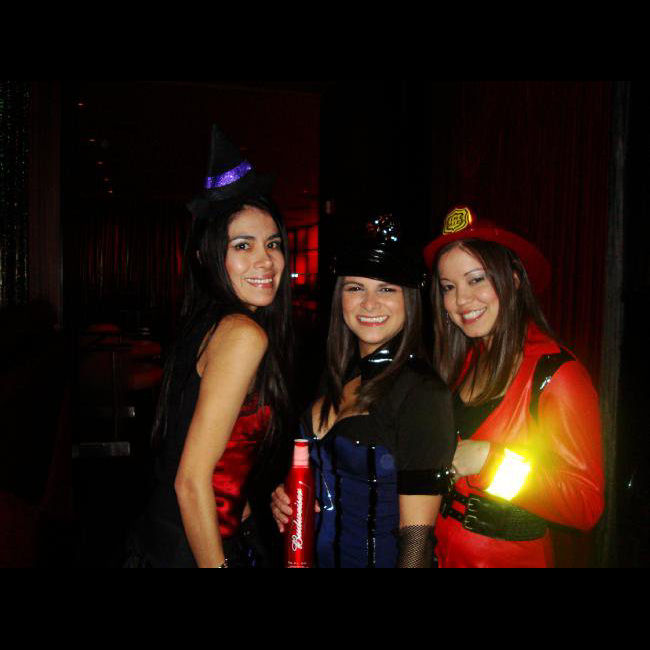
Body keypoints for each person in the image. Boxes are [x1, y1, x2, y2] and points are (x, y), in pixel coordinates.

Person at [127, 125, 293, 568]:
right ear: (206, 255)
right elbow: (190, 481)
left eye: (273, 244)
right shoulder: (241, 334)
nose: (265, 260)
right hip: (192, 550)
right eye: (243, 245)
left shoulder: (206, 323)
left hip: (165, 538)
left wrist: (249, 509)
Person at [423, 206, 604, 568]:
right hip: (442, 554)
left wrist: (492, 462)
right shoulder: (463, 363)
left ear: (515, 280)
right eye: (448, 287)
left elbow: (586, 505)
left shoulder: (557, 375)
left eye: (476, 279)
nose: (461, 300)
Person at [272, 217, 456, 568]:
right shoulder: (334, 377)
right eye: (356, 288)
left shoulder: (423, 394)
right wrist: (285, 496)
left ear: (410, 300)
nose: (369, 303)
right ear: (340, 297)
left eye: (387, 289)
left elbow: (416, 544)